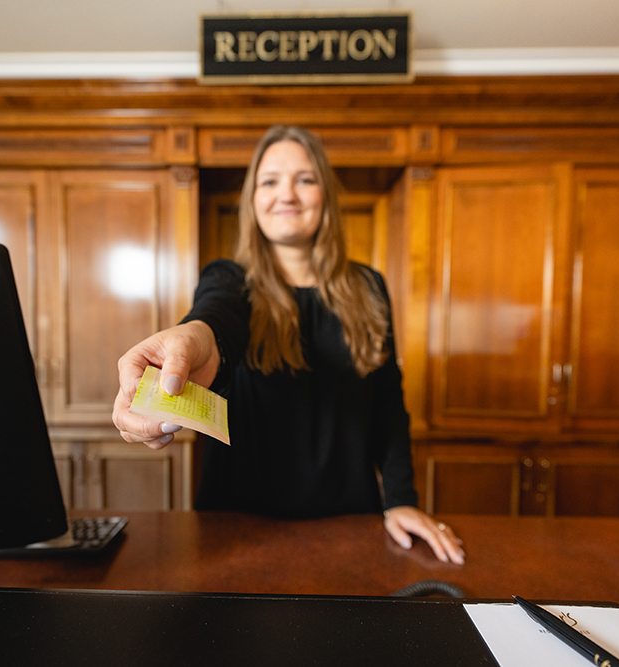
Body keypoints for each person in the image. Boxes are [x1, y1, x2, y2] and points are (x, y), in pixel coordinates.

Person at [113, 125, 464, 564]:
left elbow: (387, 405)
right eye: (270, 181)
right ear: (253, 200)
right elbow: (215, 314)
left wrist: (401, 498)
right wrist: (193, 336)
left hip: (348, 525)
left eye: (305, 179)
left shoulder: (369, 286)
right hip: (239, 531)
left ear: (326, 196)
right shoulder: (229, 278)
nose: (287, 194)